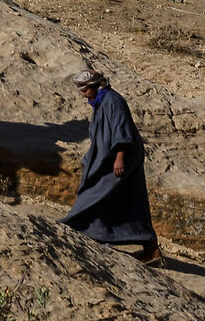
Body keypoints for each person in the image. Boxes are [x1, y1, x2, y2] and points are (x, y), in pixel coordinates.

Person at [61, 67, 158, 263]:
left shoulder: (113, 101)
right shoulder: (101, 101)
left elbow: (122, 130)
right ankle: (146, 248)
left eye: (85, 90)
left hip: (122, 158)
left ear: (95, 86)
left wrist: (119, 158)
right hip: (109, 157)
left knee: (96, 191)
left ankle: (78, 226)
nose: (83, 95)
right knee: (118, 197)